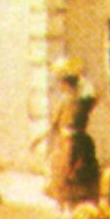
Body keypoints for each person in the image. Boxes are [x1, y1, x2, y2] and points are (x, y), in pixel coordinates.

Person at [37, 62, 100, 209]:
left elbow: (96, 95)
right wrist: (41, 138)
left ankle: (75, 202)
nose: (62, 87)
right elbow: (54, 124)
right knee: (58, 169)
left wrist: (81, 77)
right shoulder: (64, 102)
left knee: (75, 170)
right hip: (65, 140)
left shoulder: (82, 101)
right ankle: (62, 203)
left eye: (65, 84)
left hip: (77, 142)